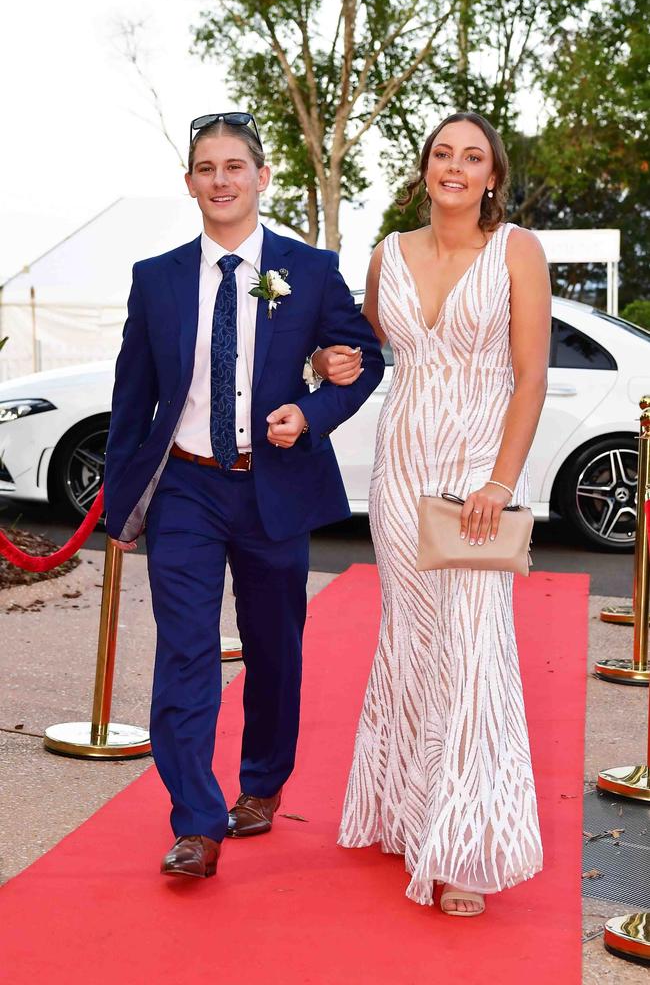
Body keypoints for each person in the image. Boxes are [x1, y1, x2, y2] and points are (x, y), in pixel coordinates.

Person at [103, 111, 384, 879]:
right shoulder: (155, 279)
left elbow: (362, 355)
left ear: (262, 179)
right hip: (186, 488)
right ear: (190, 182)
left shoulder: (309, 269)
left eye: (235, 166)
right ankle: (196, 822)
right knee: (186, 653)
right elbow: (133, 399)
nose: (220, 180)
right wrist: (119, 503)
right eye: (206, 167)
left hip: (274, 487)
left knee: (273, 648)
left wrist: (313, 410)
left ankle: (262, 783)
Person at [313, 111, 550, 915]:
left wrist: (500, 479)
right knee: (413, 644)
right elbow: (370, 352)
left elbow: (530, 377)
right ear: (424, 170)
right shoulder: (389, 255)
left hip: (479, 478)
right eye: (443, 153)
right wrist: (332, 358)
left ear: (493, 176)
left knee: (475, 650)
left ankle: (464, 847)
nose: (455, 166)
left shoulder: (518, 250)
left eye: (472, 156)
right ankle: (412, 817)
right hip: (401, 471)